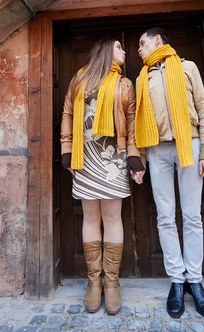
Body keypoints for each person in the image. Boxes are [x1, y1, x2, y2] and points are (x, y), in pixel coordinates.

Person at [134, 27, 204, 320]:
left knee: (192, 214)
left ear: (158, 40)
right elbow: (138, 120)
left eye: (142, 44)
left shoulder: (187, 67)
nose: (139, 50)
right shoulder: (142, 78)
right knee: (165, 216)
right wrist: (140, 160)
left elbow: (203, 109)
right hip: (156, 150)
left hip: (189, 145)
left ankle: (195, 282)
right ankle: (177, 281)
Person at [60, 38, 145, 315]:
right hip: (84, 157)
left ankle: (111, 283)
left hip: (114, 159)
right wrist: (66, 150)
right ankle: (93, 282)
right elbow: (68, 113)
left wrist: (134, 157)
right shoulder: (80, 78)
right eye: (120, 47)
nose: (124, 51)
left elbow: (132, 121)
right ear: (107, 51)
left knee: (111, 218)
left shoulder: (125, 84)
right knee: (90, 218)